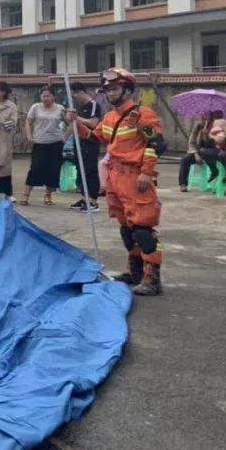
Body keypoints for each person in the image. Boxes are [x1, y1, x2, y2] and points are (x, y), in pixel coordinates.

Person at [68, 68, 164, 296]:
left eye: (114, 88)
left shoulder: (143, 115)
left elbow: (157, 144)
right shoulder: (110, 117)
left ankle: (153, 278)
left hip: (135, 177)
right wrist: (77, 124)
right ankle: (135, 271)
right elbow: (96, 137)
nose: (110, 93)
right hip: (114, 178)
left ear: (128, 89)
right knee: (126, 229)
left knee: (142, 229)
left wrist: (146, 172)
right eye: (107, 90)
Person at [21, 87, 66, 206]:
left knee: (53, 170)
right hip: (39, 142)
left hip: (55, 143)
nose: (45, 98)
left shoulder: (60, 108)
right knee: (35, 169)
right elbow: (28, 122)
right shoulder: (35, 107)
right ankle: (25, 196)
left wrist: (64, 138)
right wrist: (29, 136)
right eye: (43, 96)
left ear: (53, 97)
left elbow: (70, 124)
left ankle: (48, 196)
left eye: (48, 96)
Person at [68, 82, 102, 211]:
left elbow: (93, 123)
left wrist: (77, 118)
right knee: (81, 170)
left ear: (82, 92)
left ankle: (93, 201)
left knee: (90, 171)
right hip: (79, 142)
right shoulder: (80, 107)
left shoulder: (93, 105)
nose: (75, 97)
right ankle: (85, 198)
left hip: (90, 142)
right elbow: (75, 123)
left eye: (76, 94)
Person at [177, 111, 223, 191]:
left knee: (206, 149)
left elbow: (220, 142)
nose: (205, 116)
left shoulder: (219, 126)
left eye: (207, 114)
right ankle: (183, 183)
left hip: (213, 153)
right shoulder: (199, 126)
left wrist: (208, 135)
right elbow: (191, 142)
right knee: (185, 159)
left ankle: (215, 173)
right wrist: (195, 154)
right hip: (200, 151)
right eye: (204, 114)